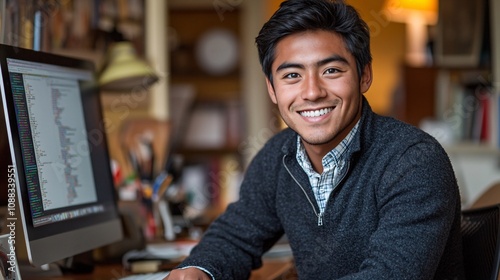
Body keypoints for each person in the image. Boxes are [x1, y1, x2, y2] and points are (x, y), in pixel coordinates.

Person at [166, 0, 465, 279]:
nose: (312, 92)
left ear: (364, 76)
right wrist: (198, 270)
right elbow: (235, 236)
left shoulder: (413, 161)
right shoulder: (277, 156)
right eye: (292, 76)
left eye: (331, 70)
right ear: (272, 89)